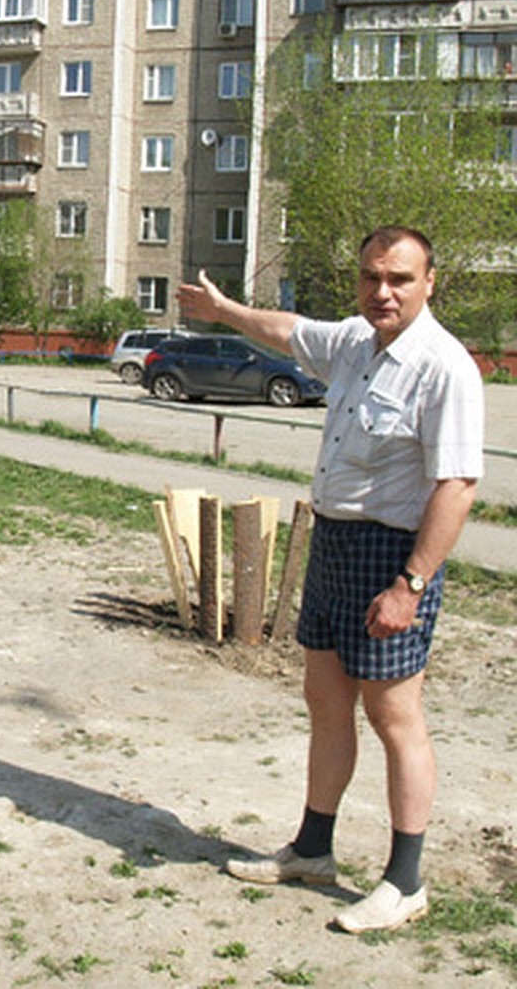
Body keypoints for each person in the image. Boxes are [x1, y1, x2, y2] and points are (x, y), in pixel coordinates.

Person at [177, 226, 483, 934]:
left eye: (400, 279)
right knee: (325, 699)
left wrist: (409, 585)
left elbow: (459, 486)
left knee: (395, 717)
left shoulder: (444, 366)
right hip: (335, 543)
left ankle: (405, 882)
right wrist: (224, 312)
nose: (383, 291)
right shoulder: (354, 341)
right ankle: (313, 850)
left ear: (430, 282)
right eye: (372, 276)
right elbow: (289, 330)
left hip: (393, 556)